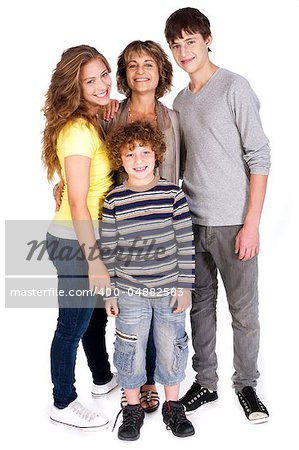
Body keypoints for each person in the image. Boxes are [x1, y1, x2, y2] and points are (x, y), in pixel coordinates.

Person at [54, 40, 181, 412]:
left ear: (160, 71)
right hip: (110, 227)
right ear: (125, 74)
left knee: (156, 304)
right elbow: (84, 171)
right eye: (131, 66)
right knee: (123, 310)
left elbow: (179, 172)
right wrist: (63, 185)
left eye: (149, 64)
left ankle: (145, 382)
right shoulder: (108, 114)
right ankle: (115, 382)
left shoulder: (172, 118)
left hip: (157, 228)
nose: (140, 72)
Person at [164, 7, 270, 423]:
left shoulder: (234, 87)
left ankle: (246, 384)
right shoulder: (179, 101)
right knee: (200, 306)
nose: (183, 51)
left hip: (233, 222)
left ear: (208, 39)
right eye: (176, 45)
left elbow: (259, 157)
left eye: (190, 41)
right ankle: (205, 383)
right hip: (193, 221)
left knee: (244, 311)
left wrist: (252, 223)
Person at [100, 120, 195, 440]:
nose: (138, 160)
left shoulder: (172, 194)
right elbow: (109, 249)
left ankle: (173, 406)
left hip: (169, 288)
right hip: (129, 292)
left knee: (171, 345)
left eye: (145, 152)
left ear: (157, 154)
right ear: (119, 160)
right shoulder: (114, 200)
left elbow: (185, 242)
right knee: (129, 348)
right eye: (130, 155)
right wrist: (110, 293)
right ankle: (131, 408)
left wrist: (185, 285)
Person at [42, 45, 117, 430]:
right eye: (90, 80)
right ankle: (63, 401)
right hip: (75, 242)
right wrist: (95, 261)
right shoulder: (76, 130)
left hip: (83, 236)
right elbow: (75, 199)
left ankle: (102, 379)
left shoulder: (91, 120)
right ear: (75, 86)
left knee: (91, 320)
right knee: (72, 323)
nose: (103, 84)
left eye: (104, 74)